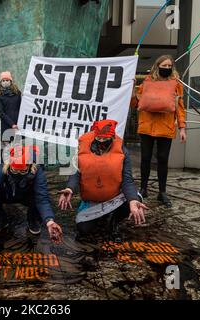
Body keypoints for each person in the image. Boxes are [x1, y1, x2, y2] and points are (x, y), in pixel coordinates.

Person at [58, 120, 148, 242]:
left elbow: (127, 180)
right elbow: (75, 173)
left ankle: (114, 222)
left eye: (105, 140)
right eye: (98, 139)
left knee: (135, 200)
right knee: (84, 230)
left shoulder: (122, 151)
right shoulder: (81, 148)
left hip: (113, 198)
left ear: (112, 138)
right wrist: (69, 188)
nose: (101, 143)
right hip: (91, 200)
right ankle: (99, 216)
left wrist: (132, 200)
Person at [0, 145, 63, 244]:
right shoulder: (3, 167)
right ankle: (1, 218)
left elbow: (42, 198)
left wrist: (50, 221)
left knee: (39, 198)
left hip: (26, 195)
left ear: (30, 165)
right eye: (14, 170)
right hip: (7, 194)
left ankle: (32, 219)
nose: (17, 174)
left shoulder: (37, 171)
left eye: (21, 172)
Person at [131, 55, 186, 208]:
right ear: (157, 66)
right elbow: (135, 104)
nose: (167, 68)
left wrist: (182, 128)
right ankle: (143, 188)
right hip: (146, 126)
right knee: (146, 158)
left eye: (169, 66)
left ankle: (162, 192)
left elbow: (180, 107)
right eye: (164, 65)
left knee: (163, 159)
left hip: (166, 126)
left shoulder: (176, 84)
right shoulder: (146, 82)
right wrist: (132, 89)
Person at [0, 71, 21, 147]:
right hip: (6, 126)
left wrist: (16, 124)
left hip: (17, 126)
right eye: (3, 81)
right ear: (0, 82)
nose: (5, 82)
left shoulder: (17, 93)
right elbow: (1, 113)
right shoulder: (0, 96)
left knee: (17, 151)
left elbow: (21, 107)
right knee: (6, 151)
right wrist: (12, 124)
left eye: (7, 80)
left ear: (10, 81)